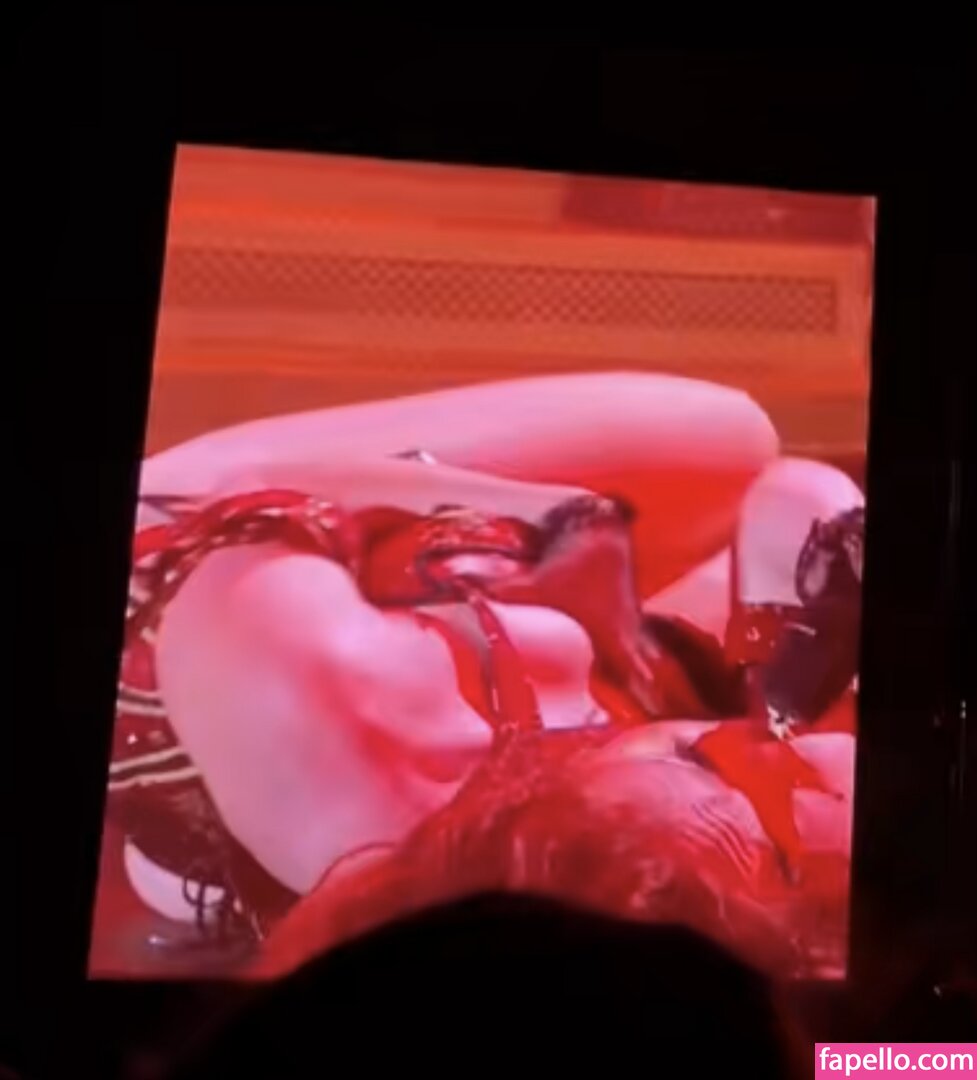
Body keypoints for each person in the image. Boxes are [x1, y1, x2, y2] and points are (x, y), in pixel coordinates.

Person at [96, 370, 859, 975]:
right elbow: (790, 497)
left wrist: (556, 521)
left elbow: (240, 494)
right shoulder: (730, 807)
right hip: (563, 780)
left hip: (195, 555)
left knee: (719, 435)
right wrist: (825, 573)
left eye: (783, 859)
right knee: (747, 457)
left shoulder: (346, 709)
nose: (786, 753)